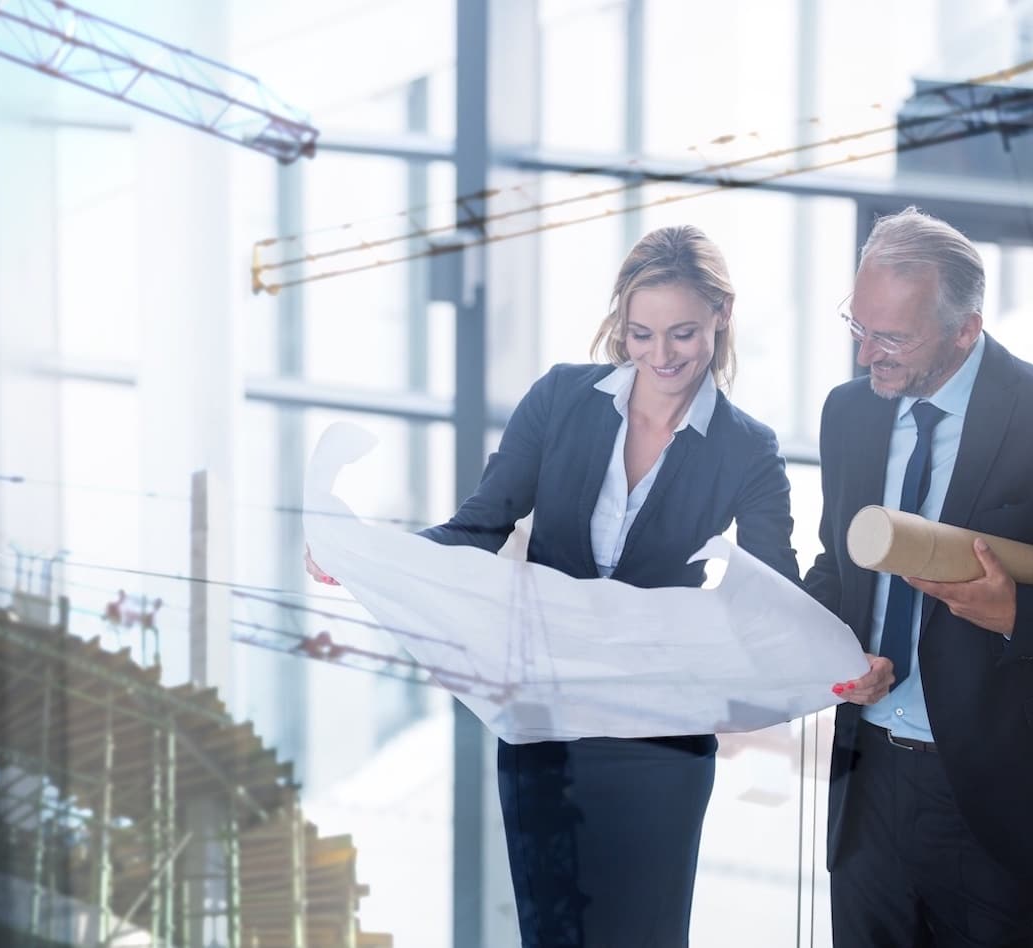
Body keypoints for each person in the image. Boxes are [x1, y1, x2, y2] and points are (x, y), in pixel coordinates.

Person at [308, 225, 800, 946]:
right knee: (550, 931)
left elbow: (773, 594)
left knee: (647, 934)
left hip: (657, 736)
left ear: (722, 315)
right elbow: (479, 525)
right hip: (542, 721)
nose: (660, 356)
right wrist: (369, 558)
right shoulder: (562, 400)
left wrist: (834, 660)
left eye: (683, 333)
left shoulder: (746, 448)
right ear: (620, 325)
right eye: (640, 333)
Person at [805, 207, 1033, 947]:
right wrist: (815, 647)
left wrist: (1019, 612)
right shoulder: (847, 414)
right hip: (864, 783)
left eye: (892, 337)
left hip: (994, 794)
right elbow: (838, 561)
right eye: (857, 326)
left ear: (964, 329)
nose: (867, 354)